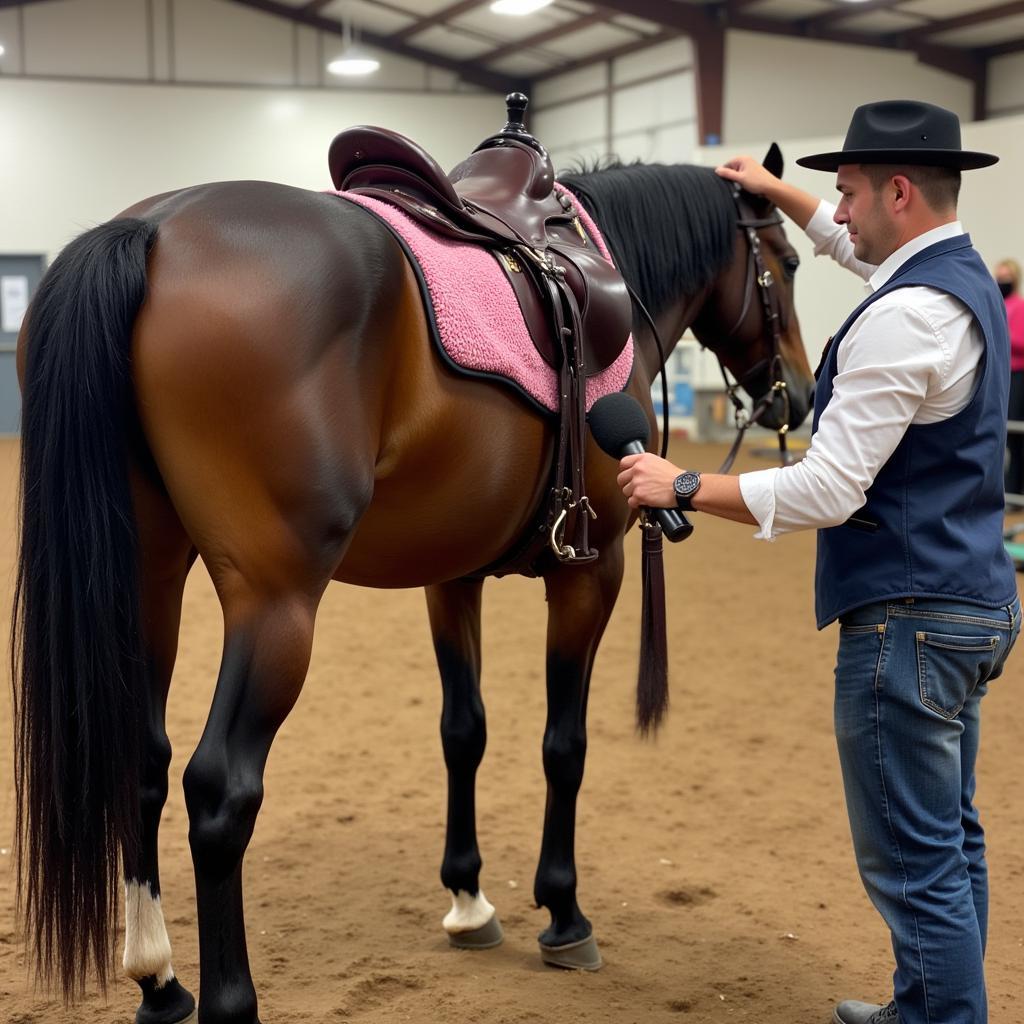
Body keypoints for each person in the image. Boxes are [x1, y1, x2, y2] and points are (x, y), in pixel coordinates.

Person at [617, 100, 1020, 1024]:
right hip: (972, 601)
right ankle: (925, 999)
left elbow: (828, 490)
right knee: (949, 838)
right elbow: (848, 250)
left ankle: (939, 1017)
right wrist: (771, 191)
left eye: (845, 194)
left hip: (906, 619)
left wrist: (684, 487)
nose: (834, 214)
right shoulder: (956, 281)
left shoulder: (901, 321)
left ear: (900, 192)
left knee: (913, 856)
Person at [996, 258, 1024, 495]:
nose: (1000, 281)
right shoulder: (997, 303)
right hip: (1001, 374)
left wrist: (1000, 332)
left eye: (1006, 278)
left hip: (1018, 375)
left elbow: (1021, 342)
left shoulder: (1019, 306)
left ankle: (1016, 491)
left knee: (1014, 436)